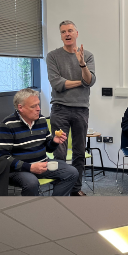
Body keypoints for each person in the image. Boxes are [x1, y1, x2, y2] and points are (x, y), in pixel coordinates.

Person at [0, 88, 78, 196]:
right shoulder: (7, 125)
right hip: (19, 170)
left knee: (72, 172)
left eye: (38, 105)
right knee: (31, 183)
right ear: (20, 108)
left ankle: (56, 205)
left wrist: (54, 142)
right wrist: (29, 167)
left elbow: (48, 148)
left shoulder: (41, 120)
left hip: (42, 163)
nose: (38, 109)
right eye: (33, 106)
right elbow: (3, 158)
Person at [46, 20, 96, 196]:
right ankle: (60, 191)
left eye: (70, 31)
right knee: (59, 153)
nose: (66, 34)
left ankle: (76, 189)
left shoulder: (87, 56)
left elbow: (90, 81)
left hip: (81, 109)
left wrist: (82, 64)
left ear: (77, 33)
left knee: (79, 152)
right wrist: (82, 82)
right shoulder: (53, 56)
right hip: (60, 109)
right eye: (63, 32)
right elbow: (57, 83)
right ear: (60, 36)